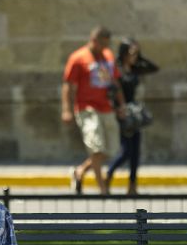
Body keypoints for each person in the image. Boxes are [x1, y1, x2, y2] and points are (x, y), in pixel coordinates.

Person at [62, 26, 127, 195]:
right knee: (96, 148)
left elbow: (116, 83)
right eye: (102, 44)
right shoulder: (78, 58)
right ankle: (103, 189)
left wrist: (122, 105)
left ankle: (80, 171)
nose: (104, 48)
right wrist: (67, 110)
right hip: (87, 108)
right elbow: (68, 85)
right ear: (93, 41)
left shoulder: (108, 56)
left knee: (111, 150)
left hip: (107, 107)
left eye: (107, 45)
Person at [105, 38, 159, 195]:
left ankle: (132, 185)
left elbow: (154, 68)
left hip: (134, 112)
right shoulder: (117, 69)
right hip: (121, 111)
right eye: (130, 52)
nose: (133, 56)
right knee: (126, 151)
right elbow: (112, 90)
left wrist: (139, 56)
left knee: (136, 150)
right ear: (123, 52)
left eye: (136, 53)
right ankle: (108, 174)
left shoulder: (135, 68)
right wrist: (117, 109)